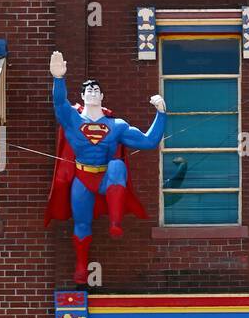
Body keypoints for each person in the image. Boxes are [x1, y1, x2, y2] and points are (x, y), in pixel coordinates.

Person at [45, 50, 166, 284]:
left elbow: (149, 141)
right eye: (88, 89)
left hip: (105, 179)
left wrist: (161, 113)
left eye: (96, 89)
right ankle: (81, 265)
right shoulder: (72, 119)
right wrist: (58, 79)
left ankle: (115, 222)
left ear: (102, 96)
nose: (92, 91)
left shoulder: (116, 126)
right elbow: (59, 103)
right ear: (82, 95)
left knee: (117, 166)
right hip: (81, 177)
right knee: (81, 222)